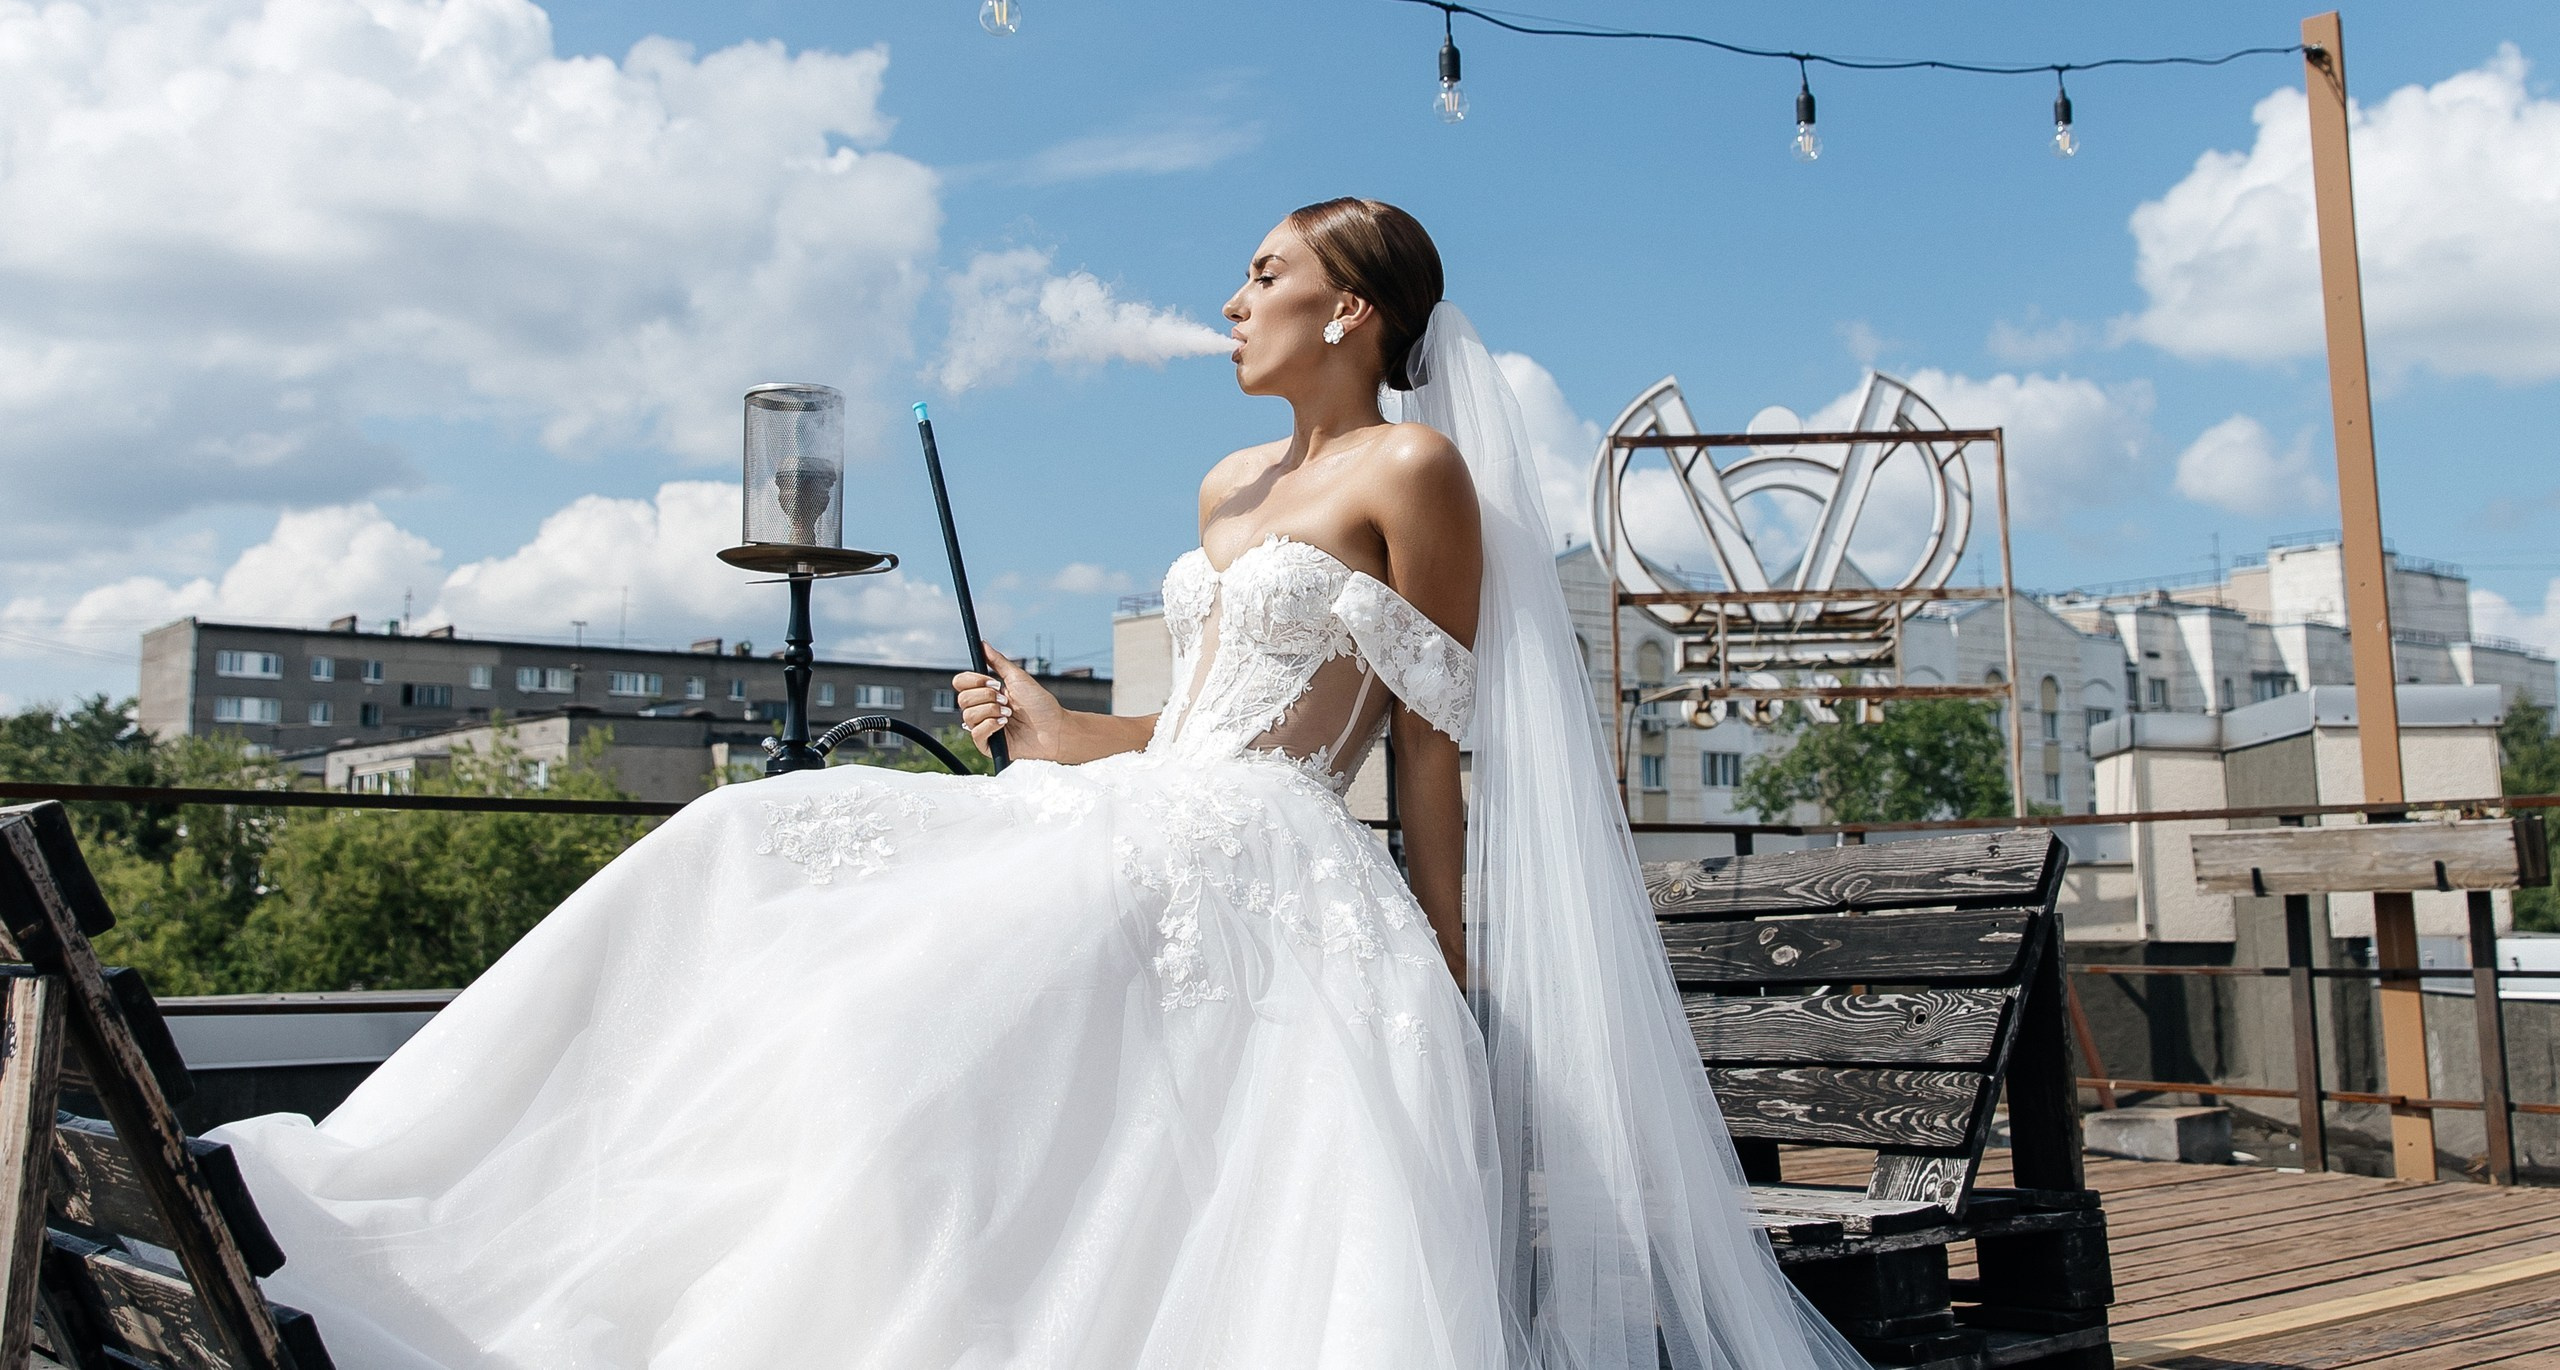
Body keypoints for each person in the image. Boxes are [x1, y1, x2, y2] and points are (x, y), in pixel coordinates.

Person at [211, 199, 1864, 1370]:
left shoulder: (1416, 471)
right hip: (1150, 806)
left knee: (941, 986)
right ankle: (444, 1203)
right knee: (751, 833)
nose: (1234, 300)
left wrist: (1446, 951)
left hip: (1268, 864)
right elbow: (1201, 717)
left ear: (1350, 310)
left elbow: (1425, 739)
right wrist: (1055, 729)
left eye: (1264, 273)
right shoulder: (1229, 485)